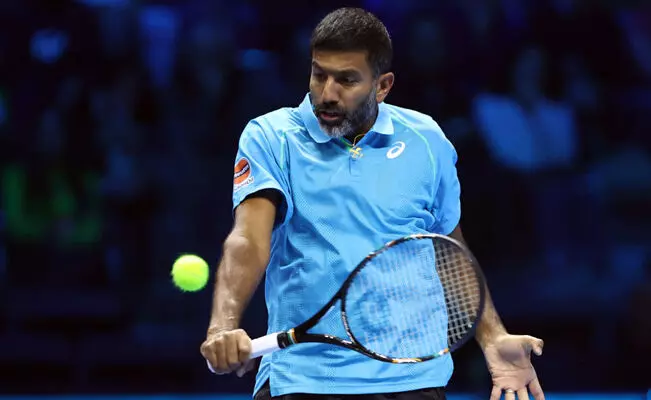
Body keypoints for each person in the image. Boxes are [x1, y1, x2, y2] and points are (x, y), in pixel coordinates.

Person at [200, 7, 545, 400]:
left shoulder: (427, 139)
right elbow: (248, 239)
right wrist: (222, 325)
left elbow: (449, 251)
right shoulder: (271, 136)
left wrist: (493, 336)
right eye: (319, 74)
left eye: (346, 80)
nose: (327, 94)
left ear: (382, 86)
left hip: (413, 382)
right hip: (303, 381)